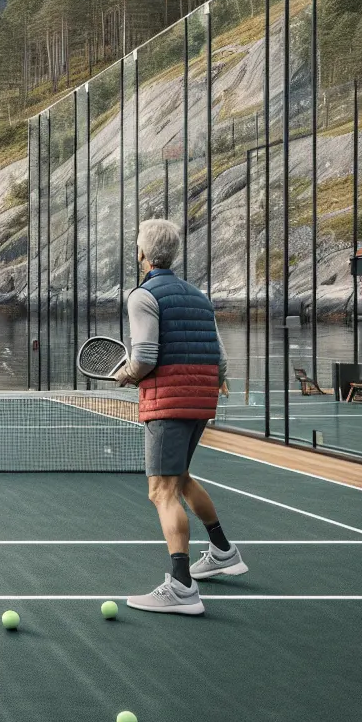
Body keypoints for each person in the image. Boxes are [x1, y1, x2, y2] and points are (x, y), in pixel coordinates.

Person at [114, 218, 248, 616]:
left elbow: (144, 357)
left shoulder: (142, 296)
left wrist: (125, 374)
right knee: (182, 477)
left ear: (141, 254)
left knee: (161, 491)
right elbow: (220, 356)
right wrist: (218, 381)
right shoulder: (199, 296)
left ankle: (181, 586)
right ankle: (223, 550)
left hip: (169, 401)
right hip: (202, 397)